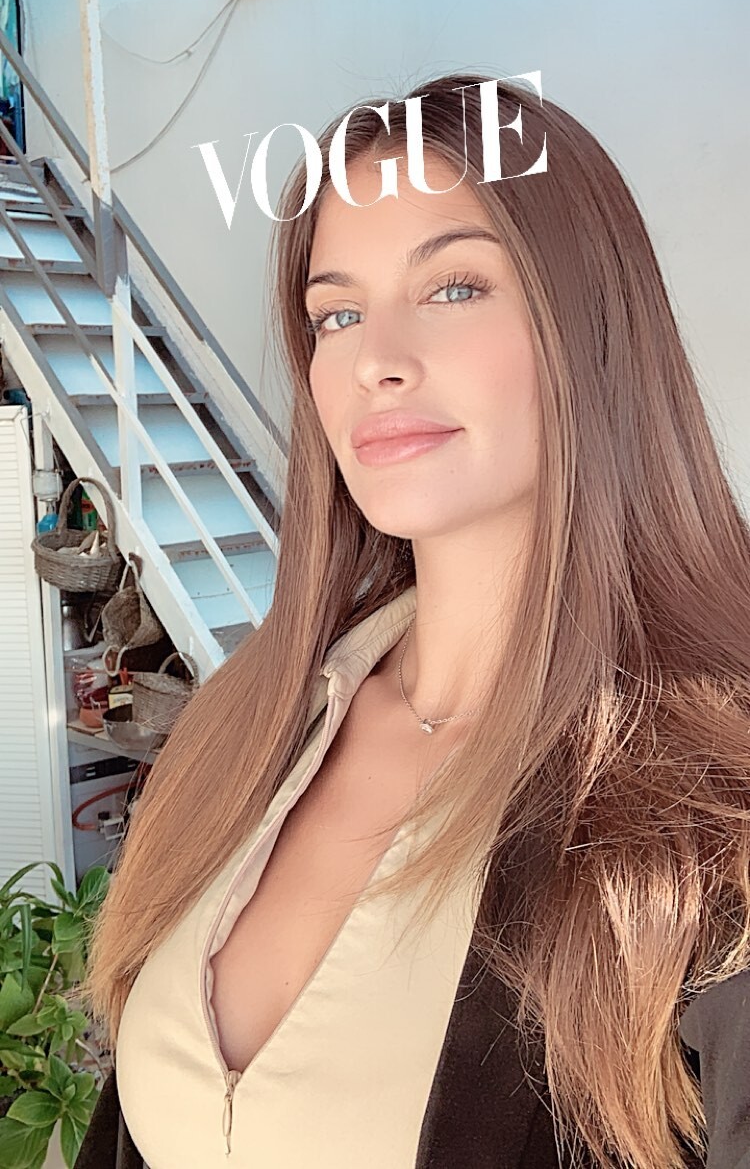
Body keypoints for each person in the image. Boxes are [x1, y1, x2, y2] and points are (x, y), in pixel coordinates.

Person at [73, 73, 750, 1169]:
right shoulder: (244, 724)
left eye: (454, 287)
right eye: (335, 314)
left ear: (592, 323)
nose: (375, 360)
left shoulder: (710, 804)